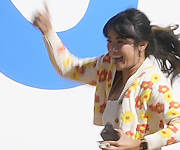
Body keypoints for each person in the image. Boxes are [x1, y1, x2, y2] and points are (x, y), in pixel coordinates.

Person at [33, 6, 180, 150]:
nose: (113, 49)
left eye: (120, 42)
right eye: (110, 41)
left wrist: (140, 144)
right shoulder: (107, 66)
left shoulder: (152, 82)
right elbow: (69, 68)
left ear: (142, 45)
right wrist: (48, 32)